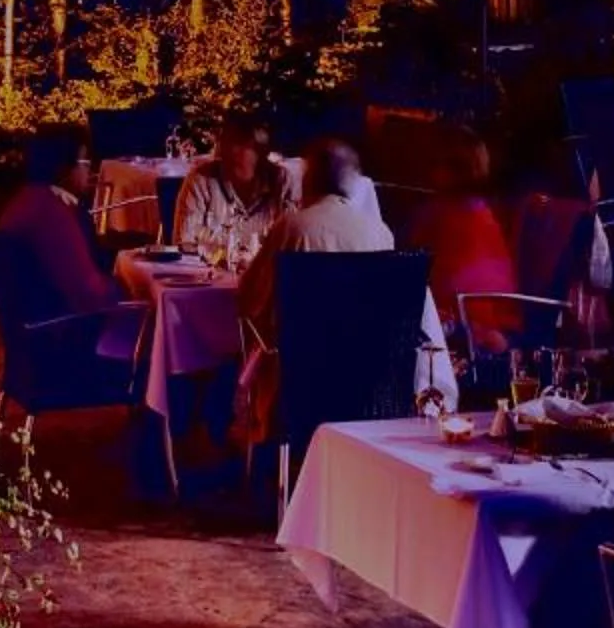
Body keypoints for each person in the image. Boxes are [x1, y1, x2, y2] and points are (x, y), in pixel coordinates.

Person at [230, 142, 398, 449]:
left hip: (299, 369)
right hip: (366, 371)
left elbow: (249, 298)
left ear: (309, 180)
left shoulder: (294, 227)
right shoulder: (380, 232)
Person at [0, 130, 113, 320]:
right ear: (64, 169)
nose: (90, 171)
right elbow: (89, 294)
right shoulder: (53, 214)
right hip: (67, 329)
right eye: (85, 163)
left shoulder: (24, 200)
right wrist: (131, 288)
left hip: (36, 325)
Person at [407, 126, 516, 329]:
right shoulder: (483, 212)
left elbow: (417, 275)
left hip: (465, 327)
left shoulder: (442, 215)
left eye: (434, 163)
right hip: (486, 327)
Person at [170, 119, 288, 263]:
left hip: (266, 279)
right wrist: (227, 256)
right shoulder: (201, 181)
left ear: (262, 155)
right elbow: (184, 243)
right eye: (225, 148)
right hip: (211, 279)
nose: (230, 154)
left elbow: (293, 245)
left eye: (241, 146)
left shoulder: (282, 183)